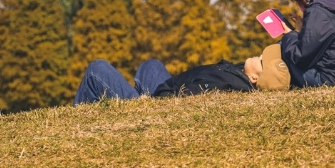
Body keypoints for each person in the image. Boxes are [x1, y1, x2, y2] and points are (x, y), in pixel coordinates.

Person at [73, 44, 290, 106]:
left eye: (262, 61)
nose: (259, 55)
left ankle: (79, 123)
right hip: (168, 90)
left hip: (157, 105)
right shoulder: (238, 73)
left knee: (97, 69)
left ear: (254, 79)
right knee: (152, 65)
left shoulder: (229, 85)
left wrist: (149, 104)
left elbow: (189, 99)